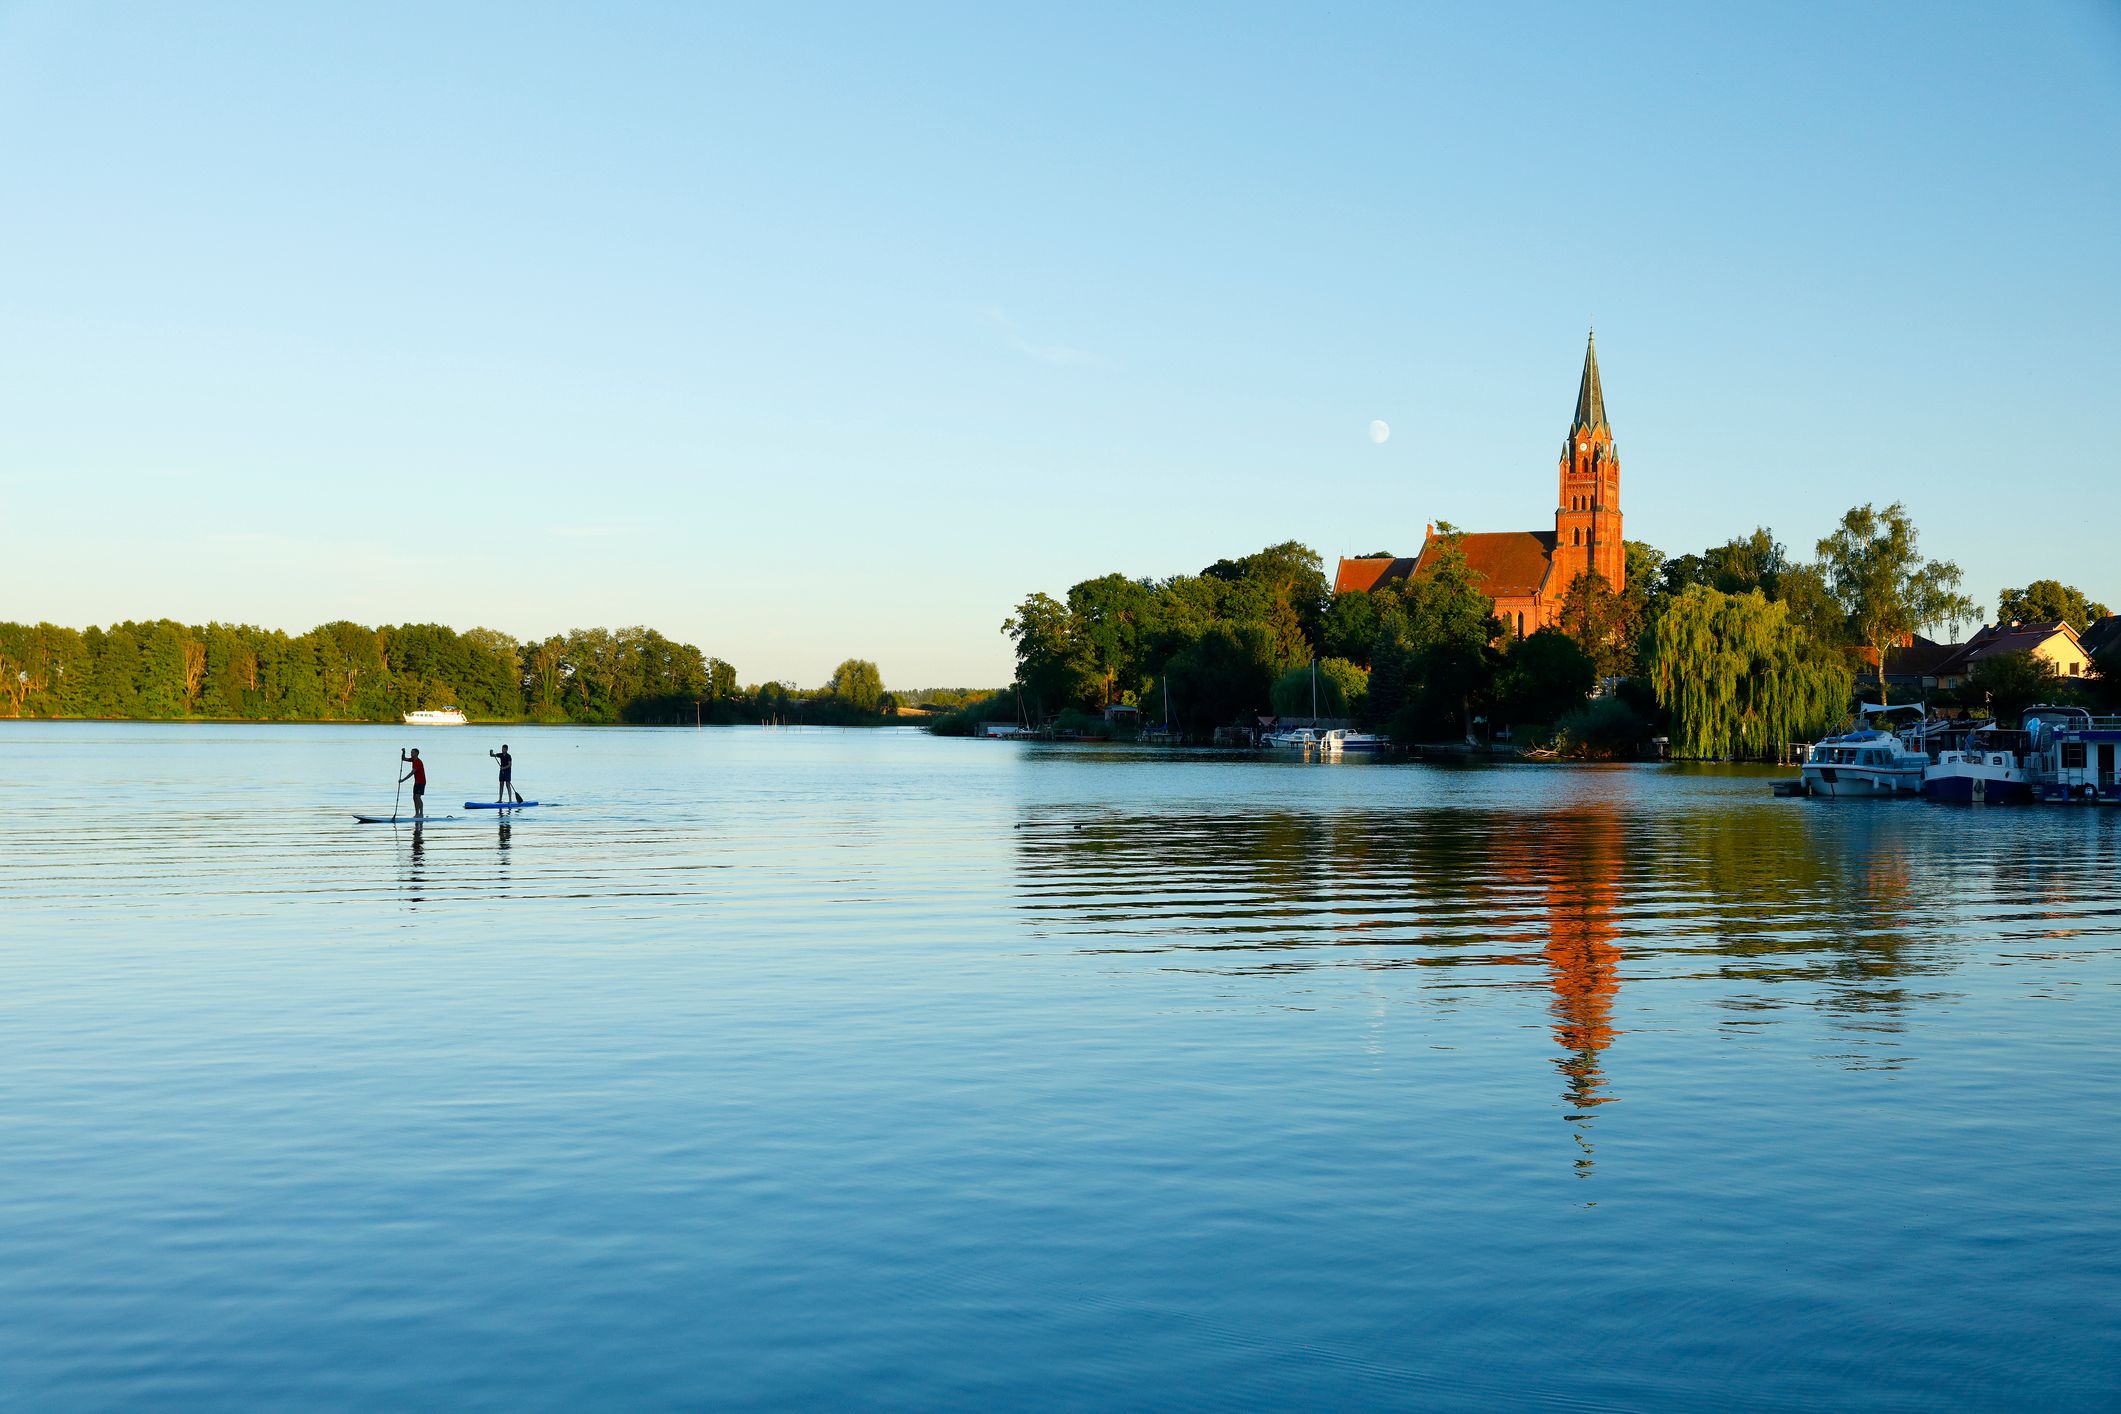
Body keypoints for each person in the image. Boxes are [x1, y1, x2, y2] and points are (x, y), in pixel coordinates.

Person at [399, 748, 426, 818]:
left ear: (416, 754)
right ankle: (417, 814)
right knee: (414, 797)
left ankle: (421, 814)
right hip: (417, 782)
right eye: (411, 752)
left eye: (412, 753)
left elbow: (412, 773)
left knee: (417, 797)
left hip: (421, 782)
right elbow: (403, 759)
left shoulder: (418, 762)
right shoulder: (413, 760)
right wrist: (403, 752)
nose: (411, 754)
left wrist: (403, 780)